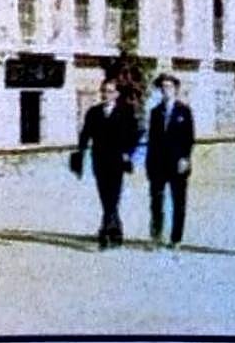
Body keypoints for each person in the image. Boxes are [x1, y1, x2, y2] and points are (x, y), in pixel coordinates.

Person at [73, 78, 139, 249]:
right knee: (105, 196)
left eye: (110, 91)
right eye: (104, 91)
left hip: (117, 160)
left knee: (113, 195)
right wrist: (80, 152)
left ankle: (105, 232)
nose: (106, 94)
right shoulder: (93, 112)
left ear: (117, 94)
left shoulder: (126, 111)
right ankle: (116, 230)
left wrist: (127, 152)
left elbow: (134, 135)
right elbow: (85, 134)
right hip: (99, 160)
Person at [146, 72, 195, 250]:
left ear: (175, 89)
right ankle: (156, 236)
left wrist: (185, 158)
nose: (166, 90)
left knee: (178, 202)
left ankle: (176, 238)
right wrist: (149, 164)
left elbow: (189, 138)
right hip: (158, 164)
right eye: (163, 87)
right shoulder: (155, 112)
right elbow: (152, 140)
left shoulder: (184, 111)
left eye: (169, 87)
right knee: (156, 201)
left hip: (177, 163)